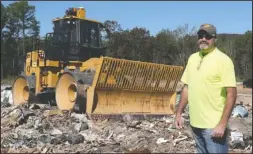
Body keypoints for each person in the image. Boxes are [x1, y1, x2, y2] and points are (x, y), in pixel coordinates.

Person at [175, 23, 237, 153]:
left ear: (214, 39)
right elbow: (187, 88)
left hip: (213, 127)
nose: (203, 39)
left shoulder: (223, 60)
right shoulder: (192, 58)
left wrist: (222, 124)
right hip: (195, 124)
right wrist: (179, 113)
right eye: (201, 36)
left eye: (208, 36)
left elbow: (231, 94)